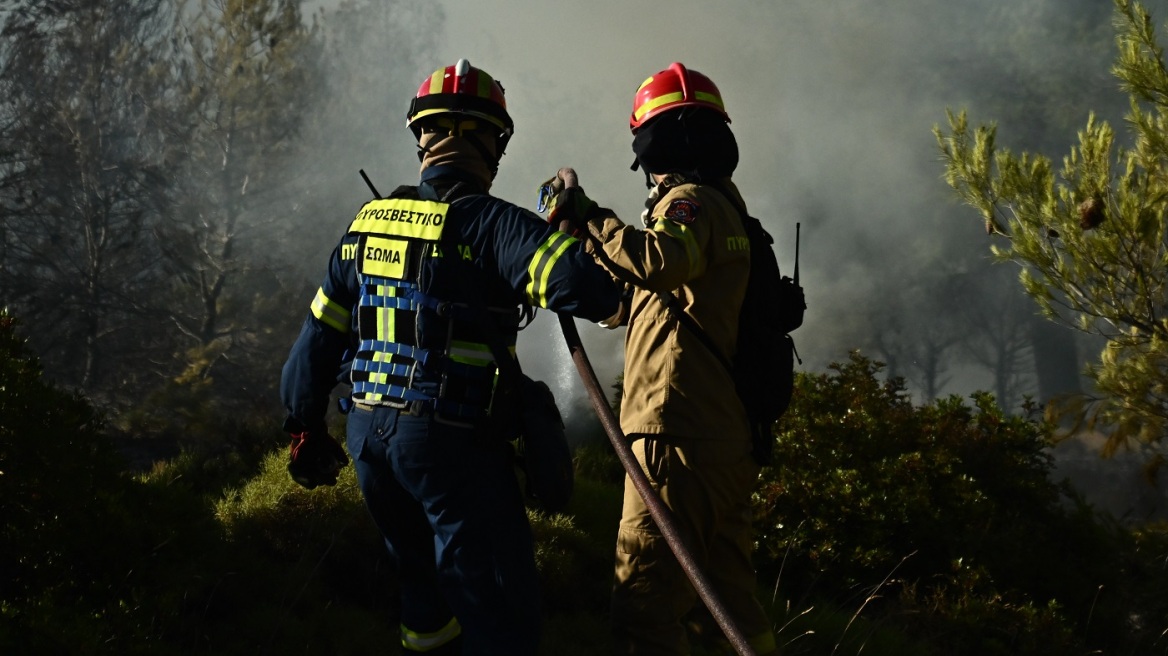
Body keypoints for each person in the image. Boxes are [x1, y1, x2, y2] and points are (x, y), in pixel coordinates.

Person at [279, 59, 620, 656]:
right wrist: (565, 222)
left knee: (424, 599)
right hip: (451, 445)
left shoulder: (366, 226)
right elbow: (589, 290)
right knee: (499, 611)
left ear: (422, 138)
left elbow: (316, 339)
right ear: (493, 142)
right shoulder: (495, 225)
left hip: (368, 441)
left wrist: (303, 424)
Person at [545, 62, 779, 655]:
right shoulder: (730, 213)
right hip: (720, 441)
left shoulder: (691, 204)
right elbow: (640, 302)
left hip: (673, 437)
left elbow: (656, 261)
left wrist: (591, 214)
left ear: (654, 143)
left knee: (644, 606)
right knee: (725, 610)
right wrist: (581, 252)